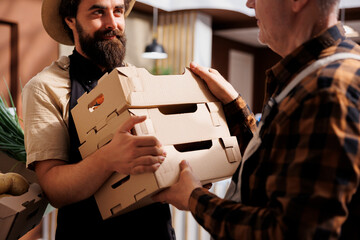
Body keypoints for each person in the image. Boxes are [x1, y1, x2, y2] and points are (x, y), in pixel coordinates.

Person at [154, 0, 360, 239]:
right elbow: (276, 162)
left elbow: (292, 232)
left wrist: (195, 198)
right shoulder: (319, 74)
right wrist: (233, 104)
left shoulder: (328, 89)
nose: (249, 3)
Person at [22, 0, 175, 239]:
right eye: (98, 12)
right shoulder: (46, 88)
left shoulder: (140, 79)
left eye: (118, 11)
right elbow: (54, 189)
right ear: (70, 19)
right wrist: (108, 158)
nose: (112, 23)